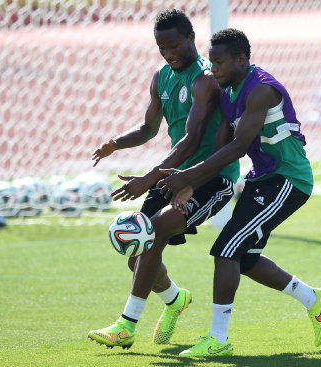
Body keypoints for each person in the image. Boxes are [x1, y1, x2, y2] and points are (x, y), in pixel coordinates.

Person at [158, 28, 321, 357]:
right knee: (246, 258)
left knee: (226, 249)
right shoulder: (228, 92)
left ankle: (218, 339)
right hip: (263, 179)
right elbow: (222, 145)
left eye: (220, 63)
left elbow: (239, 147)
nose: (214, 70)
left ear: (242, 59)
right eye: (211, 63)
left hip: (288, 179)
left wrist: (186, 176)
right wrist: (192, 183)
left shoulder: (261, 90)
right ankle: (315, 299)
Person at [87, 9, 239, 349]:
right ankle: (175, 299)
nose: (169, 54)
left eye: (174, 46)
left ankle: (126, 327)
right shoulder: (161, 78)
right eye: (162, 48)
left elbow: (193, 139)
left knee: (151, 235)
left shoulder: (206, 80)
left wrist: (147, 179)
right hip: (173, 173)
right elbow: (148, 128)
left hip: (211, 177)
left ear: (191, 39)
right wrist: (116, 143)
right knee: (137, 254)